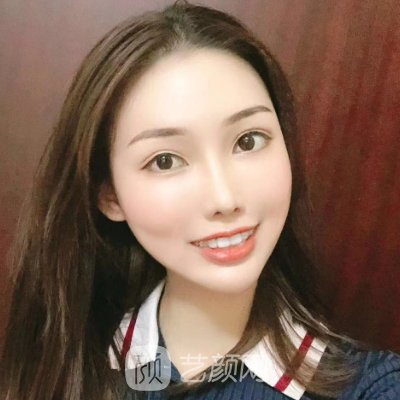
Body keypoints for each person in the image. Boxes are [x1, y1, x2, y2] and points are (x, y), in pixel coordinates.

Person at [1, 1, 399, 399]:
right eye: (165, 160)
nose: (224, 198)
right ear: (110, 196)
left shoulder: (370, 387)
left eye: (248, 141)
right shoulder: (55, 368)